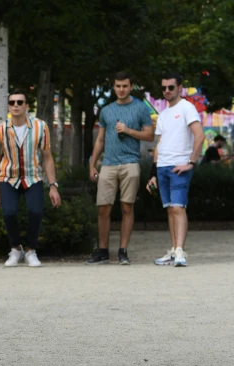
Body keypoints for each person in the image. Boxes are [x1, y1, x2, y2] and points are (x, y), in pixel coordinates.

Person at [86, 71, 154, 265]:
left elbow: (149, 136)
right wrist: (92, 164)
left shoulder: (140, 108)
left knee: (127, 207)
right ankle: (103, 250)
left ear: (131, 86)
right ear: (113, 87)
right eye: (118, 86)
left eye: (125, 86)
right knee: (103, 208)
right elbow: (100, 139)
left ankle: (123, 250)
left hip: (130, 162)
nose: (121, 89)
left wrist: (128, 131)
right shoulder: (106, 110)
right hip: (108, 163)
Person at [0, 89, 61, 267]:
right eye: (12, 102)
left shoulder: (40, 127)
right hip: (8, 177)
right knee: (9, 213)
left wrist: (53, 186)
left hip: (33, 177)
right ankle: (15, 248)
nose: (16, 106)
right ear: (8, 106)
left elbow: (47, 157)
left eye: (20, 102)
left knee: (36, 212)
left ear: (27, 106)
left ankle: (30, 250)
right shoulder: (0, 130)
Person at [146, 71, 205, 267]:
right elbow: (159, 144)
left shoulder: (187, 108)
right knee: (170, 209)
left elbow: (200, 136)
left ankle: (180, 251)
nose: (167, 91)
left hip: (179, 166)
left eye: (171, 87)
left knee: (179, 208)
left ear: (180, 87)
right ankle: (173, 251)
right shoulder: (163, 114)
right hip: (162, 166)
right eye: (163, 88)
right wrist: (152, 174)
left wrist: (191, 162)